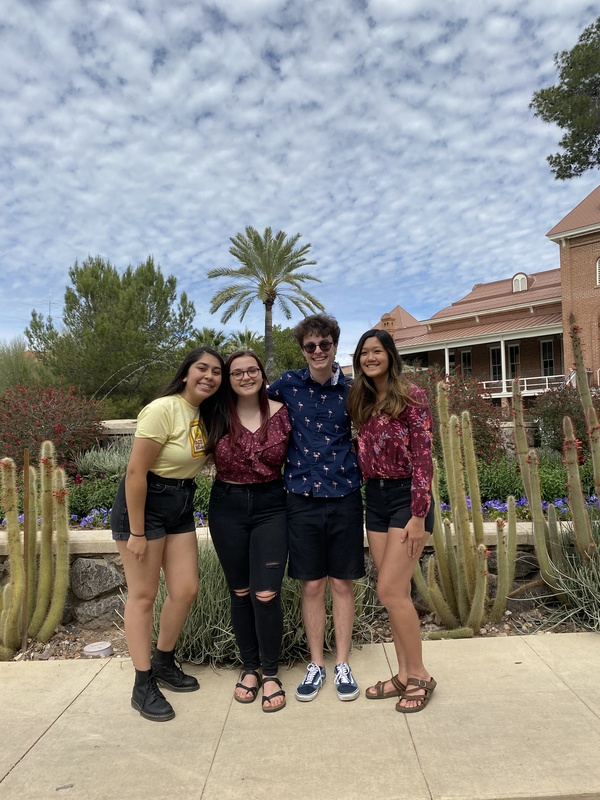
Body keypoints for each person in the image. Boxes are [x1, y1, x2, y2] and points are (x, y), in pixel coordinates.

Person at [111, 347, 227, 722]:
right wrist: (138, 532)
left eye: (216, 372)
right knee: (143, 596)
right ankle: (142, 684)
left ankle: (163, 660)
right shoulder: (163, 409)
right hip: (145, 504)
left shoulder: (205, 413)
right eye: (201, 368)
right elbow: (135, 473)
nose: (208, 376)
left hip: (179, 503)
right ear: (186, 372)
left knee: (185, 588)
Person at [268, 314, 364, 702]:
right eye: (311, 346)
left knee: (342, 583)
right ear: (303, 349)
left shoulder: (354, 391)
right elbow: (248, 401)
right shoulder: (287, 385)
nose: (318, 351)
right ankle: (316, 664)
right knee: (312, 584)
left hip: (344, 496)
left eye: (325, 344)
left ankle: (342, 662)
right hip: (301, 498)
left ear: (335, 345)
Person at [347, 329, 436, 713]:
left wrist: (418, 516)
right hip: (376, 499)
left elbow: (423, 458)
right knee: (392, 593)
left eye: (377, 351)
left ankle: (420, 676)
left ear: (390, 355)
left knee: (390, 591)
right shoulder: (362, 400)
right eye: (364, 352)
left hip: (407, 500)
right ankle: (402, 674)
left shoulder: (410, 396)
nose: (370, 357)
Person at [209, 351, 290, 713]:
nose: (245, 377)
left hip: (272, 505)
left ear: (262, 373)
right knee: (240, 592)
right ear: (228, 378)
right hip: (227, 505)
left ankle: (271, 673)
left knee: (267, 593)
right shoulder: (214, 414)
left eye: (252, 370)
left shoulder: (282, 411)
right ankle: (250, 669)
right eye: (237, 372)